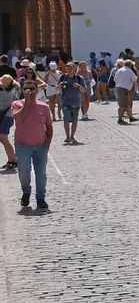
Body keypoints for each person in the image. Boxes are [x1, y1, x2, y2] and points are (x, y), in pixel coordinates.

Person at [11, 72, 52, 211]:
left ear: (37, 90)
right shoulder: (17, 104)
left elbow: (49, 126)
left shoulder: (44, 107)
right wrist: (26, 104)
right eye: (26, 88)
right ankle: (26, 192)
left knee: (41, 173)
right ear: (22, 90)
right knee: (24, 172)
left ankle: (41, 198)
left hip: (40, 146)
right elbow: (18, 118)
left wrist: (47, 143)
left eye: (32, 88)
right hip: (22, 145)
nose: (29, 91)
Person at [58, 65, 87, 144]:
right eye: (68, 69)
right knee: (66, 119)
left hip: (75, 102)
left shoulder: (79, 78)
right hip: (65, 102)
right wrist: (60, 85)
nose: (69, 70)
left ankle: (72, 136)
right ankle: (67, 136)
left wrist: (78, 86)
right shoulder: (62, 77)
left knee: (74, 120)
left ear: (75, 69)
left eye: (71, 69)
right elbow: (56, 88)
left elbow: (84, 90)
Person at [112, 56, 138, 124]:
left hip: (117, 88)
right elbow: (135, 79)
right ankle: (120, 119)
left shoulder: (119, 70)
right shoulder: (129, 71)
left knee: (125, 104)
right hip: (123, 89)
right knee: (122, 105)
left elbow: (114, 79)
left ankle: (130, 117)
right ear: (131, 65)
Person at [0, 72, 17, 171]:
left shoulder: (3, 93)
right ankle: (11, 159)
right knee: (3, 139)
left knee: (4, 139)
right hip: (6, 117)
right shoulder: (10, 91)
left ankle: (13, 160)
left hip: (5, 117)